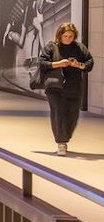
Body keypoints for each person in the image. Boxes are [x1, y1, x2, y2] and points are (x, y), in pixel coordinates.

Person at [38, 23, 94, 156]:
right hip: (55, 87)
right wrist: (58, 64)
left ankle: (64, 137)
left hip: (74, 86)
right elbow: (42, 63)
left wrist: (78, 65)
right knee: (59, 113)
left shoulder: (79, 48)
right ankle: (61, 143)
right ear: (60, 35)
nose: (68, 38)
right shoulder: (51, 47)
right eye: (65, 36)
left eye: (71, 36)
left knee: (73, 115)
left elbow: (89, 63)